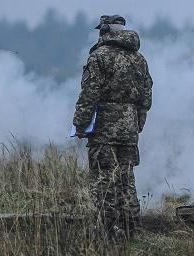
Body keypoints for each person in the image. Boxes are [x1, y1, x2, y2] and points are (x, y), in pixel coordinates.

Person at [73, 15, 153, 237]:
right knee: (127, 179)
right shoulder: (139, 59)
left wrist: (79, 123)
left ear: (105, 31)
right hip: (130, 128)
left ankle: (107, 232)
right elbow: (146, 96)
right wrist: (138, 122)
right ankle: (132, 230)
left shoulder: (99, 57)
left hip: (104, 128)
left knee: (104, 180)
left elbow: (90, 93)